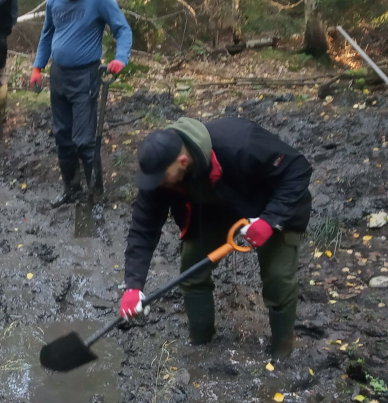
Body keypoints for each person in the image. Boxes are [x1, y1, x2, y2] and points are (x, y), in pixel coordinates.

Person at [119, 116, 312, 360]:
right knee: (191, 272)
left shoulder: (240, 142)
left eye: (161, 177)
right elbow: (143, 228)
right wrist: (134, 286)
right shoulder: (158, 174)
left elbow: (298, 169)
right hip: (213, 210)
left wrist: (270, 220)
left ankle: (281, 354)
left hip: (271, 206)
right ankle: (201, 345)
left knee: (278, 280)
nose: (155, 183)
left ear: (183, 160)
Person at [32, 0, 132, 205]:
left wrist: (121, 58)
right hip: (58, 76)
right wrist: (37, 67)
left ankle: (95, 193)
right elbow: (47, 33)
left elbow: (122, 28)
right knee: (62, 135)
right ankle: (71, 189)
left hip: (85, 76)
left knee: (84, 139)